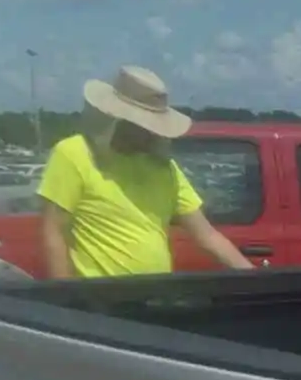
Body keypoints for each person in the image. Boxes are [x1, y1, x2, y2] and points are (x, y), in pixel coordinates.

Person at [37, 65, 251, 279]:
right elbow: (54, 231)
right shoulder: (74, 153)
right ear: (120, 120)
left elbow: (207, 235)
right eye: (145, 126)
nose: (152, 133)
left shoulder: (164, 167)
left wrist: (252, 277)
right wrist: (66, 296)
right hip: (98, 298)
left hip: (155, 297)